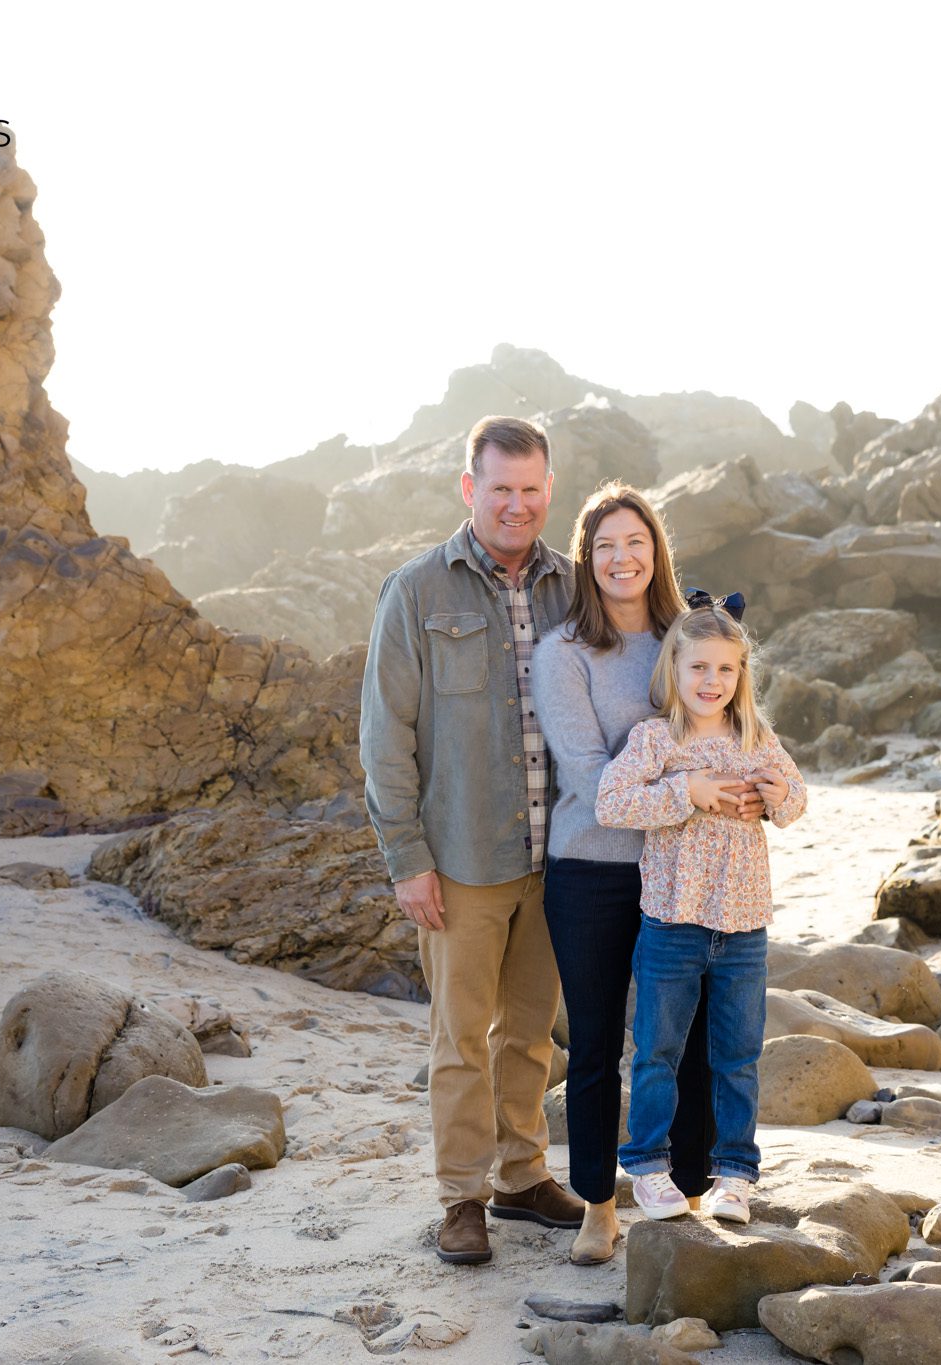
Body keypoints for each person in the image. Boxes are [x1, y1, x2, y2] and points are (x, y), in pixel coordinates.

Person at [360, 414, 586, 1266]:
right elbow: (385, 739)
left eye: (531, 490)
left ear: (548, 491)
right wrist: (407, 861)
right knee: (459, 1037)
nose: (516, 505)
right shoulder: (415, 591)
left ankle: (524, 1174)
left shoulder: (574, 589)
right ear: (470, 488)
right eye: (501, 489)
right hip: (461, 862)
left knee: (530, 1033)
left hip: (556, 857)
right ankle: (463, 1197)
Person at [531, 484, 755, 1265]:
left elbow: (735, 732)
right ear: (586, 560)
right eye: (604, 546)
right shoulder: (562, 652)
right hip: (591, 871)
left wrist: (753, 791)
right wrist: (691, 793)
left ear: (657, 551)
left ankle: (689, 1192)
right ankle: (599, 1204)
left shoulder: (687, 639)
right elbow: (595, 783)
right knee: (595, 1044)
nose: (622, 558)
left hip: (686, 875)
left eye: (636, 542)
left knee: (685, 1040)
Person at [594, 600, 806, 1224]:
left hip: (743, 925)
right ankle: (647, 1166)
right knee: (658, 1048)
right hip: (671, 919)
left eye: (726, 670)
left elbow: (796, 800)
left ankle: (735, 1175)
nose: (712, 682)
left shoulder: (756, 739)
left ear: (741, 675)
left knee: (737, 1055)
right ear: (675, 670)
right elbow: (612, 802)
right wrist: (686, 791)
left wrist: (772, 797)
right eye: (699, 669)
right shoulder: (657, 739)